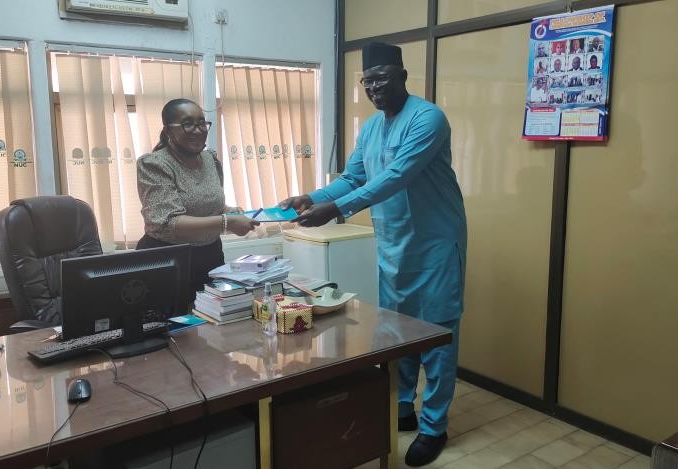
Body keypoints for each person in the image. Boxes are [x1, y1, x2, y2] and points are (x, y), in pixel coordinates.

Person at [279, 42, 466, 467]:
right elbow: (354, 176)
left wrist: (339, 209)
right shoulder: (370, 128)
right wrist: (312, 196)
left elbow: (399, 175)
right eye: (368, 81)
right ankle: (402, 407)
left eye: (382, 78)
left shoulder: (427, 118)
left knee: (436, 337)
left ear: (402, 75)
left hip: (435, 246)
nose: (374, 87)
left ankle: (435, 427)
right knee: (397, 332)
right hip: (394, 245)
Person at [136, 98, 259, 309]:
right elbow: (168, 223)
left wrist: (230, 212)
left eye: (202, 123)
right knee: (172, 330)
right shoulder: (154, 164)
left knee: (212, 323)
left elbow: (211, 206)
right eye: (188, 124)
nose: (198, 130)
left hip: (209, 256)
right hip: (167, 259)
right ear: (168, 130)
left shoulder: (210, 160)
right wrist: (227, 222)